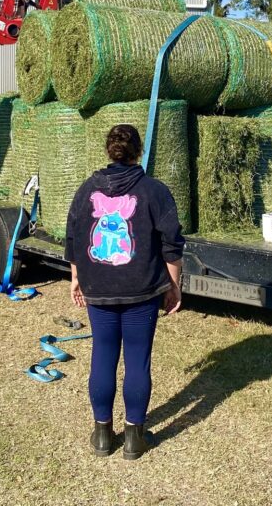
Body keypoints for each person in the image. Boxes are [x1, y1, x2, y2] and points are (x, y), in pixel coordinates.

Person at [64, 123, 184, 461]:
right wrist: (174, 285)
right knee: (137, 360)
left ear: (109, 150)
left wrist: (76, 276)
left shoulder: (86, 188)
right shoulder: (155, 190)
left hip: (98, 289)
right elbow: (172, 242)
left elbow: (74, 237)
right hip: (141, 291)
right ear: (139, 151)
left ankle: (103, 434)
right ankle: (134, 437)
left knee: (102, 355)